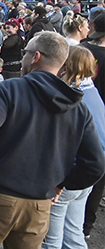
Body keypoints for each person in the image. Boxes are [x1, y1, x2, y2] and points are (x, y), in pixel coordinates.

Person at [0, 31, 105, 249]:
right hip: (39, 204)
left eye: (24, 53)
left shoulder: (9, 89)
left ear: (35, 56)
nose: (23, 57)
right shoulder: (78, 108)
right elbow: (95, 164)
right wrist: (60, 183)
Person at [42, 46, 105, 248]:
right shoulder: (92, 92)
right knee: (73, 232)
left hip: (69, 173)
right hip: (88, 174)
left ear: (66, 66)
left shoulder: (72, 96)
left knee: (51, 238)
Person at [80, 13, 105, 239]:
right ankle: (86, 226)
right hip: (95, 112)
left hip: (87, 110)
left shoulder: (85, 49)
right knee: (97, 174)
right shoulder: (87, 49)